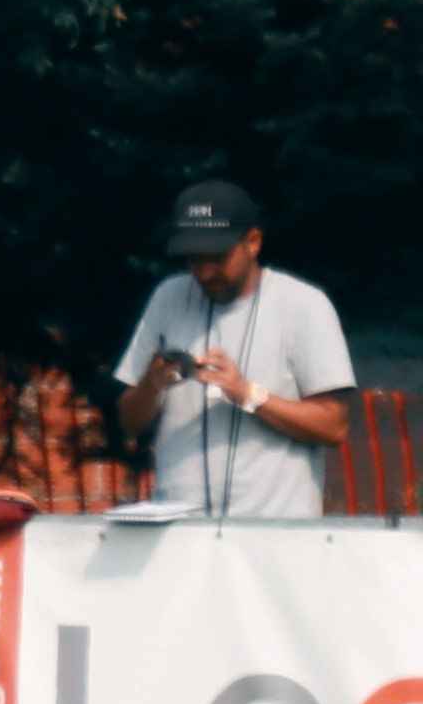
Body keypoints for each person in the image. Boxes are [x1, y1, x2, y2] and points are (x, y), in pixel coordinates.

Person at [118, 174, 359, 521]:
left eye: (217, 257)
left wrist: (248, 394)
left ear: (253, 242)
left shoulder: (304, 304)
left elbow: (334, 426)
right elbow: (129, 423)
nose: (205, 273)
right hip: (178, 527)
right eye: (194, 259)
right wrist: (151, 385)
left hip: (275, 529)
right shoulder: (168, 296)